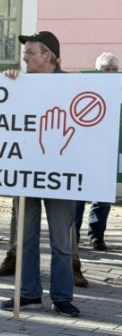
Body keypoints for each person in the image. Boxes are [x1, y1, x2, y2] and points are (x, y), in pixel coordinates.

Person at [0, 31, 80, 317]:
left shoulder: (73, 85)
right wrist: (7, 86)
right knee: (25, 240)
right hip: (25, 174)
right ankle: (29, 294)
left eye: (30, 52)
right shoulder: (18, 83)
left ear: (48, 56)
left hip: (60, 176)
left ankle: (62, 298)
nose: (25, 57)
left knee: (61, 242)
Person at [74, 52, 118, 251]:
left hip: (108, 151)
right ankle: (72, 237)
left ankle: (96, 237)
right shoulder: (85, 86)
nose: (109, 74)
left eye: (113, 70)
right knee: (77, 198)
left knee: (102, 198)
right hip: (84, 150)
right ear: (96, 71)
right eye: (105, 70)